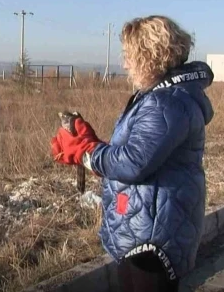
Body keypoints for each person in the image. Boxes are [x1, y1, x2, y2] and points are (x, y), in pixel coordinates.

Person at [51, 15, 214, 292]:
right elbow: (138, 153)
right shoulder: (163, 97)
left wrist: (86, 152)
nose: (125, 63)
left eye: (130, 55)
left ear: (151, 57)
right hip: (147, 220)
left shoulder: (166, 103)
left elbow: (133, 162)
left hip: (153, 232)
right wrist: (90, 145)